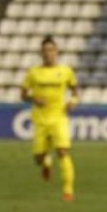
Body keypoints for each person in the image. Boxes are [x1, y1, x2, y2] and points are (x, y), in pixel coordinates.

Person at [21, 37, 79, 201]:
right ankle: (46, 162)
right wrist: (33, 98)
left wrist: (73, 102)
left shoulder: (66, 71)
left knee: (62, 152)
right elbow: (23, 94)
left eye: (51, 50)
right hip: (40, 119)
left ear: (57, 52)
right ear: (41, 53)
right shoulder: (34, 73)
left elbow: (75, 90)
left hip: (59, 117)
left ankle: (68, 191)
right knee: (38, 157)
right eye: (45, 50)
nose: (48, 53)